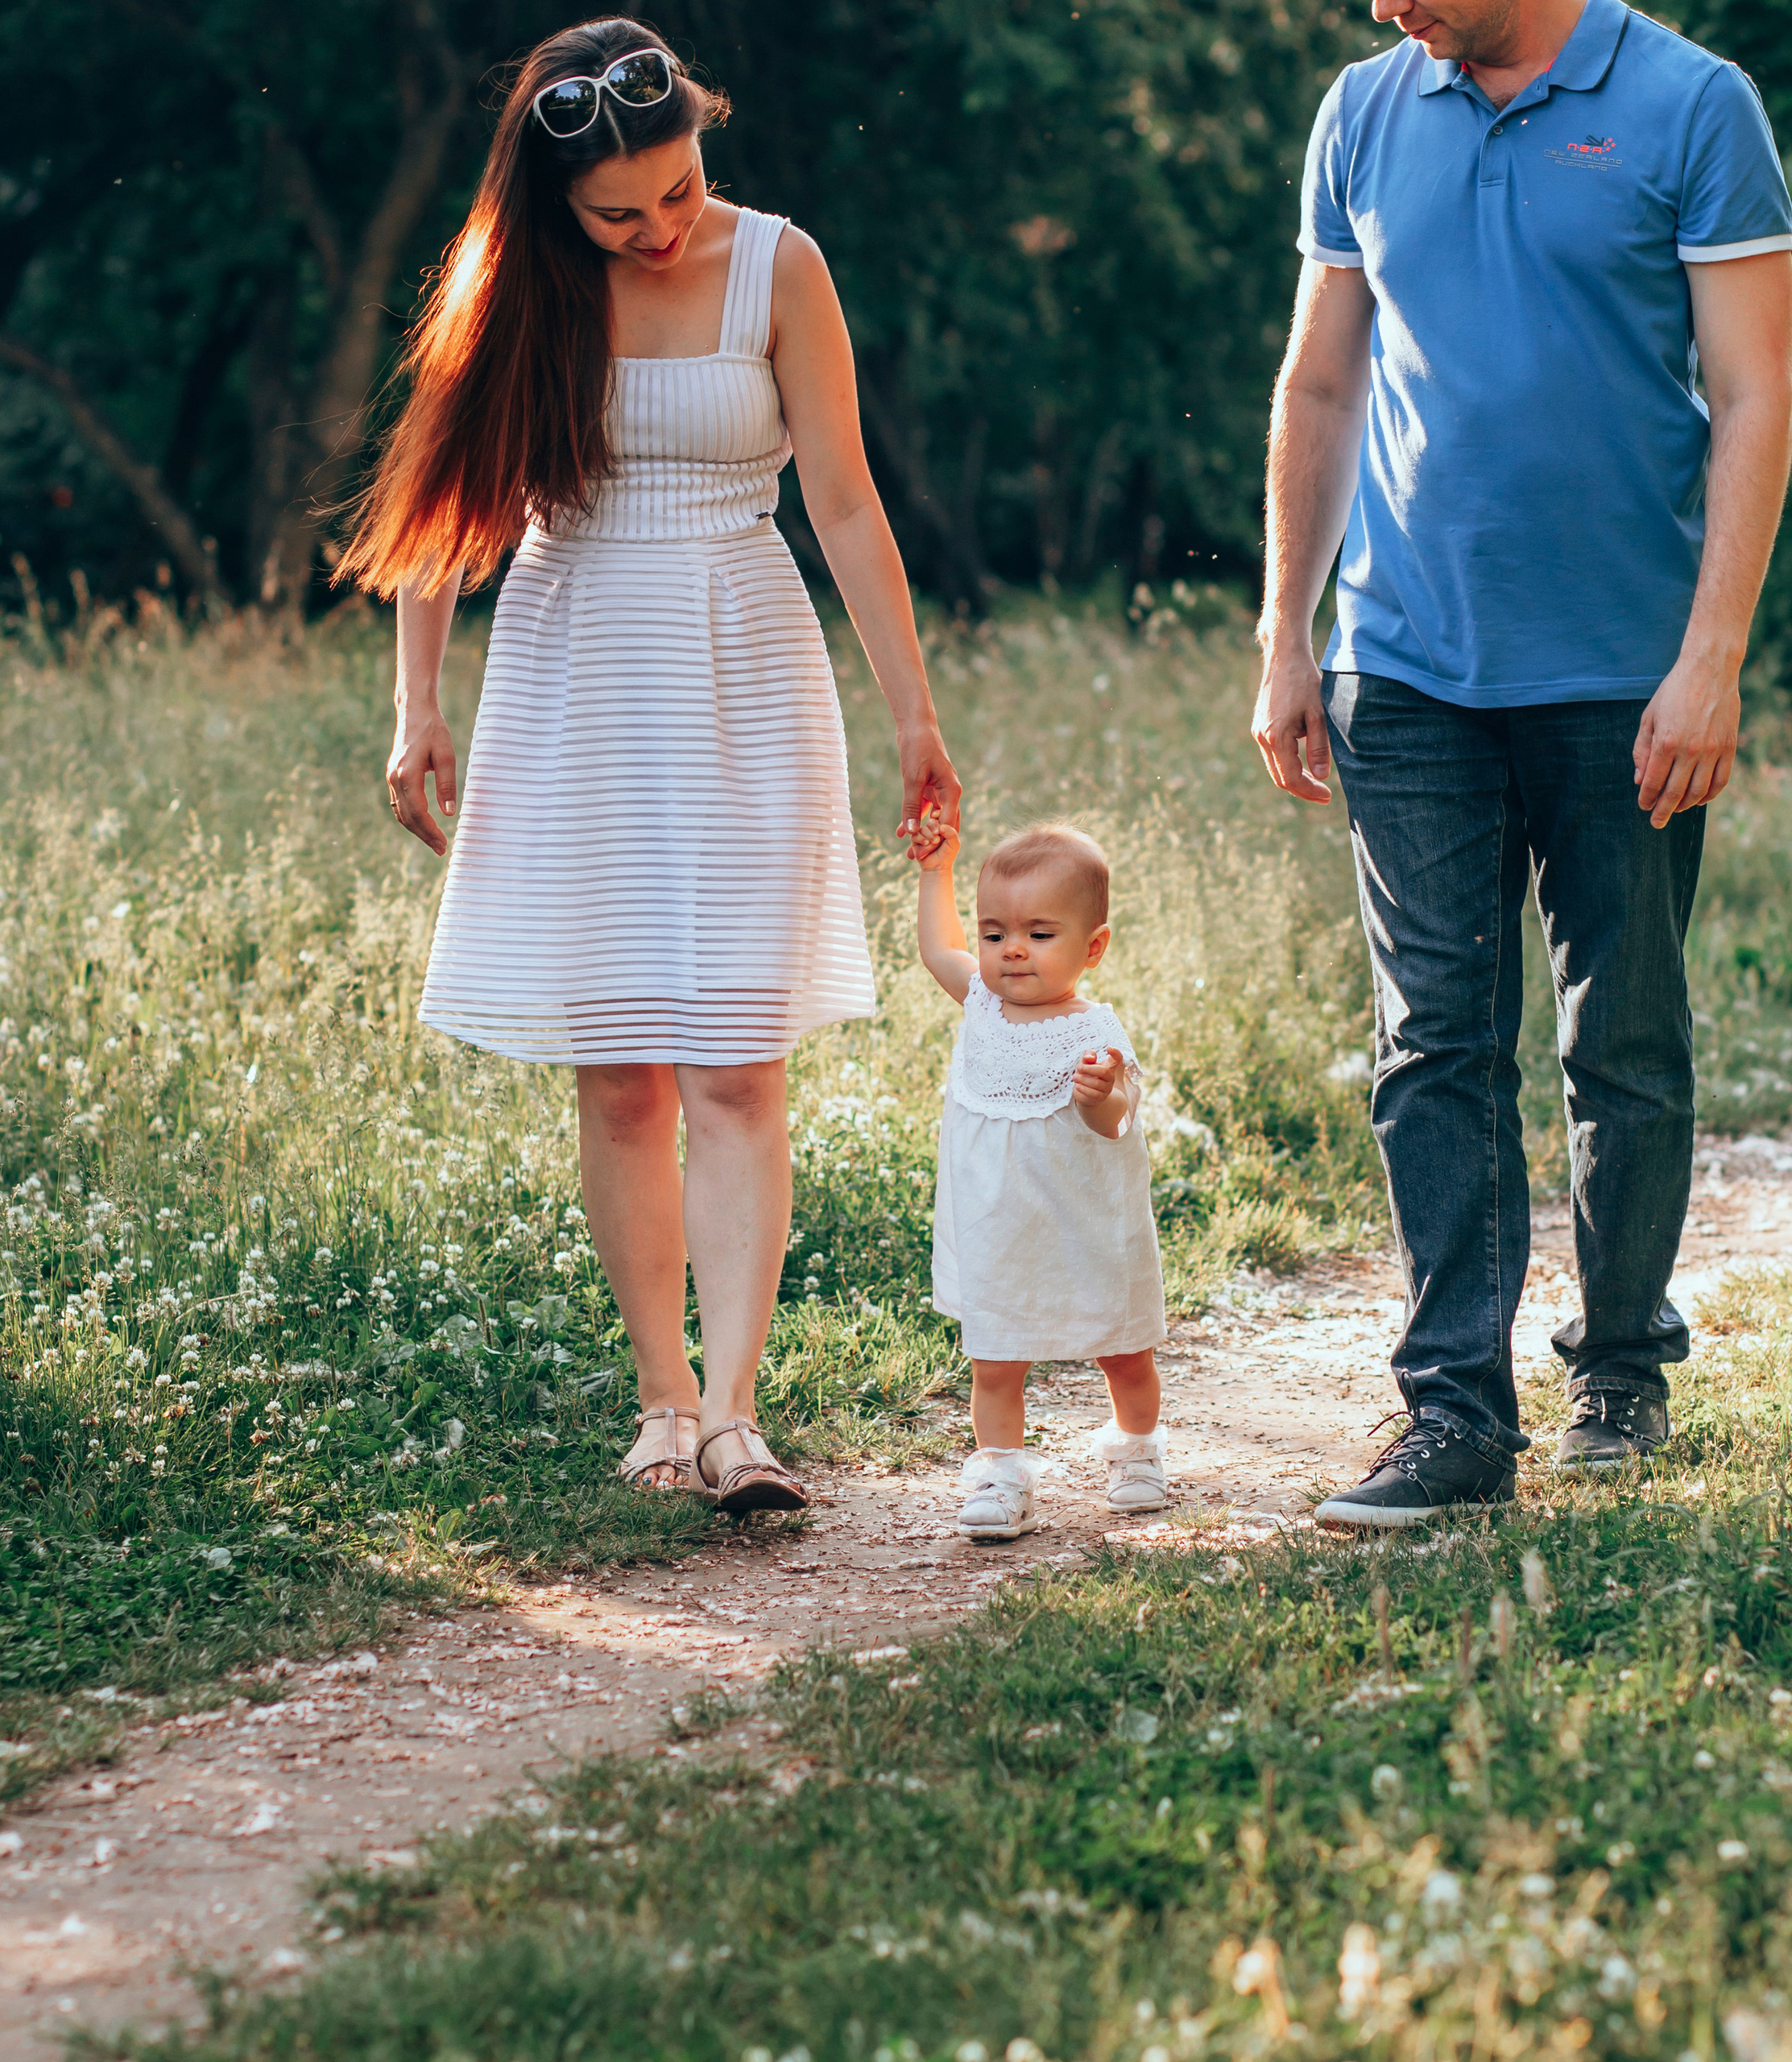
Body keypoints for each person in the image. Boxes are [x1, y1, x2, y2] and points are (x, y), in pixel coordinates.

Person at [339, 19, 960, 1513]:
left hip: (742, 656)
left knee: (738, 1063)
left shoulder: (780, 266)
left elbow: (850, 507)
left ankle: (742, 1416)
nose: (658, 229)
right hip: (575, 666)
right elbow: (441, 502)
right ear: (557, 207)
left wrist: (917, 724)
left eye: (675, 192)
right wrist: (417, 703)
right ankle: (663, 1403)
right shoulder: (524, 285)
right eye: (619, 215)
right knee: (622, 1075)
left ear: (701, 141)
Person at [1250, 0, 1792, 1526]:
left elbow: (1754, 391)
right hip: (1406, 658)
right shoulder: (1363, 110)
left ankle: (1619, 1362)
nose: (1383, 7)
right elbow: (1320, 383)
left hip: (1626, 672)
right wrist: (1287, 632)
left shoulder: (1694, 107)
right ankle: (1455, 1416)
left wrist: (1712, 658)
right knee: (1433, 1038)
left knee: (1620, 1035)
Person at [907, 818, 1169, 1541]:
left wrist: (1100, 1096)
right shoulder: (981, 1004)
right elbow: (937, 948)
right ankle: (999, 1471)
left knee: (1122, 1347)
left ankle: (1138, 1450)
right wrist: (939, 870)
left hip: (1084, 1223)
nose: (1011, 949)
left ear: (1093, 948)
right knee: (995, 1360)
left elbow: (1117, 1122)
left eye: (1039, 934)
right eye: (995, 935)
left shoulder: (1096, 1035)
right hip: (1000, 1225)